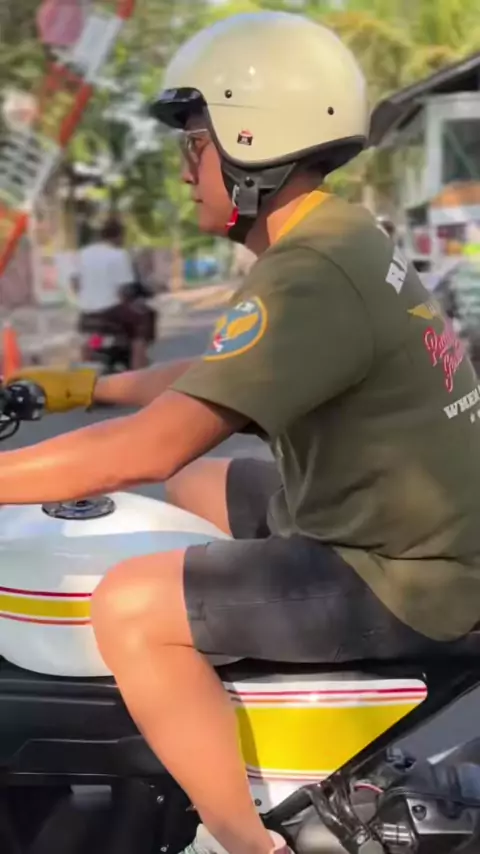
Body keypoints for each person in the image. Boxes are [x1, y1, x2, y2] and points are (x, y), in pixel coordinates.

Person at [6, 10, 480, 854]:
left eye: (195, 143)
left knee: (130, 605)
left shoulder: (308, 273)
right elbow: (223, 375)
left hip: (407, 576)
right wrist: (80, 387)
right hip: (393, 523)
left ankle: (240, 839)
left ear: (254, 140)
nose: (185, 168)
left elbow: (149, 448)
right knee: (193, 486)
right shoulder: (334, 237)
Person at [74, 218, 156, 370]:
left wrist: (87, 300)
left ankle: (86, 363)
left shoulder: (83, 254)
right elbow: (123, 292)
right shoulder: (119, 255)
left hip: (86, 314)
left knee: (93, 337)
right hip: (112, 312)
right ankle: (138, 366)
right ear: (119, 236)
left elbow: (75, 284)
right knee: (145, 317)